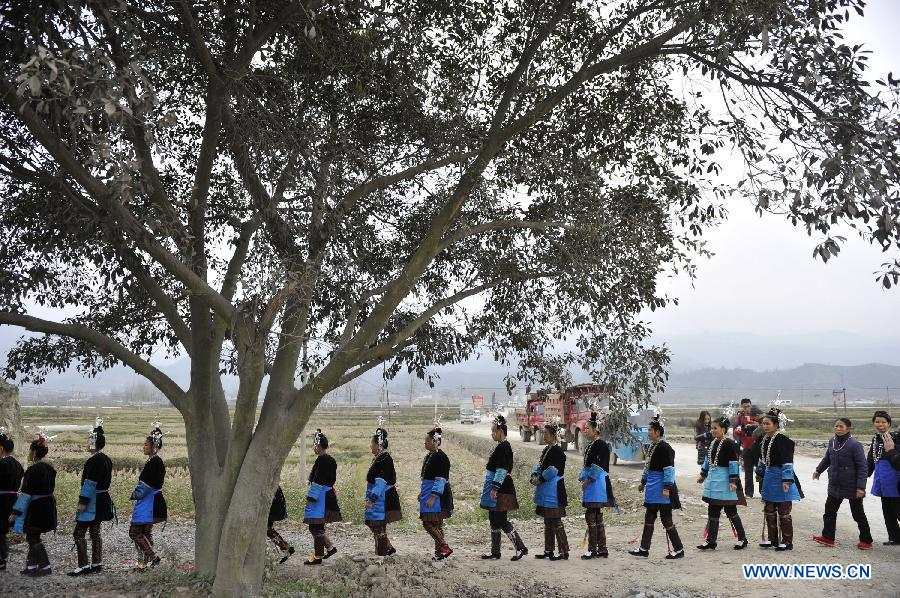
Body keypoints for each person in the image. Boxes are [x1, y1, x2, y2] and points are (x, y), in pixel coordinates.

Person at [811, 418, 872, 550]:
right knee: (829, 512)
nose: (838, 428)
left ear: (848, 428)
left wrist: (861, 487)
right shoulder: (832, 441)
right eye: (836, 426)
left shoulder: (855, 444)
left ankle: (866, 540)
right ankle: (828, 537)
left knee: (858, 514)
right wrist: (818, 470)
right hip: (835, 484)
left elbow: (863, 467)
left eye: (841, 426)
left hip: (852, 486)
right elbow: (827, 458)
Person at [629, 420, 684, 559]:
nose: (648, 433)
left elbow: (669, 470)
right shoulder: (652, 447)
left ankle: (678, 549)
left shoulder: (665, 448)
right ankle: (644, 548)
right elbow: (648, 468)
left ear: (657, 432)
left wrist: (667, 488)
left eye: (650, 430)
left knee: (667, 521)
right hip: (652, 490)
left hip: (662, 490)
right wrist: (643, 482)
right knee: (649, 519)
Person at [68, 418, 116, 576]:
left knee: (79, 533)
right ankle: (97, 562)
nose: (87, 443)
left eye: (89, 440)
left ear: (94, 442)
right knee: (95, 532)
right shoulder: (107, 459)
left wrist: (83, 502)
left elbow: (89, 483)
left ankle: (83, 565)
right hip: (103, 499)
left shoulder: (93, 460)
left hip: (92, 501)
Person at [752, 409, 803, 551]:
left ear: (776, 425)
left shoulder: (782, 440)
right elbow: (762, 460)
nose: (765, 426)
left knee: (784, 510)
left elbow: (787, 461)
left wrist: (786, 480)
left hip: (782, 477)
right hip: (769, 477)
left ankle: (787, 541)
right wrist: (760, 472)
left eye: (768, 424)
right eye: (763, 424)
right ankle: (772, 539)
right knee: (769, 509)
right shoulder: (764, 439)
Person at [479, 414, 527, 561]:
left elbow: (501, 470)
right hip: (497, 489)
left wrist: (494, 488)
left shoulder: (504, 447)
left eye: (494, 430)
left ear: (500, 431)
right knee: (493, 519)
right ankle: (495, 552)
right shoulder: (500, 446)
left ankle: (520, 547)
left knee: (501, 519)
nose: (492, 433)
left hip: (502, 490)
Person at [696, 416, 748, 550]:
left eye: (715, 428)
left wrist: (733, 481)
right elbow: (708, 461)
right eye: (712, 428)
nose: (712, 430)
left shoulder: (730, 444)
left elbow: (733, 463)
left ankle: (742, 539)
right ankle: (711, 541)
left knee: (731, 511)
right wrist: (703, 474)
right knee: (712, 511)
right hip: (713, 483)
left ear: (723, 429)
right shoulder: (713, 443)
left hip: (725, 482)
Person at [9, 433, 57, 576]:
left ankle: (45, 565)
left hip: (36, 508)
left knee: (32, 536)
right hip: (48, 504)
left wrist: (15, 512)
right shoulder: (50, 469)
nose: (29, 453)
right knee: (33, 535)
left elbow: (25, 493)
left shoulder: (32, 470)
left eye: (30, 450)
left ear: (34, 452)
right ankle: (31, 566)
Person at [129, 422, 167, 570]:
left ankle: (153, 557)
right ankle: (144, 564)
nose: (143, 446)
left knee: (134, 532)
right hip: (151, 500)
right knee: (145, 532)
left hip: (149, 502)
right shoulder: (154, 461)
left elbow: (146, 485)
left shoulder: (155, 462)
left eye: (146, 444)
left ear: (154, 446)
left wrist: (135, 494)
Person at [303, 429, 342, 565]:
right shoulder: (331, 460)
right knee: (317, 527)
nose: (313, 447)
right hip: (327, 494)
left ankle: (318, 556)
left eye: (314, 445)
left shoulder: (322, 460)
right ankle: (330, 548)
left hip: (320, 497)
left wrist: (310, 498)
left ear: (318, 446)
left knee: (315, 527)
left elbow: (318, 481)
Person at [578, 412, 615, 559]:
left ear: (595, 430)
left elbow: (598, 467)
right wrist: (583, 476)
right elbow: (587, 465)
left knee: (591, 515)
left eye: (588, 428)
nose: (585, 430)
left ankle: (593, 549)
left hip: (597, 484)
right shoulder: (592, 445)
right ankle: (602, 549)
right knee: (597, 515)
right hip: (593, 483)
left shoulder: (601, 445)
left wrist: (588, 480)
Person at [532, 422, 569, 560]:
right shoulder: (547, 449)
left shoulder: (558, 451)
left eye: (546, 434)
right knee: (548, 521)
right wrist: (534, 475)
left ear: (554, 436)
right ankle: (548, 551)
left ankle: (563, 552)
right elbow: (540, 466)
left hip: (554, 490)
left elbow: (553, 471)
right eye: (543, 433)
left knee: (556, 521)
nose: (544, 436)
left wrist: (540, 478)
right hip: (546, 489)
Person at [364, 427, 402, 556]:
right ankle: (387, 548)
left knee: (377, 526)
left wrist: (371, 499)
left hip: (382, 499)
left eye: (372, 444)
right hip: (380, 497)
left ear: (378, 445)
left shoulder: (384, 458)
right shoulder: (381, 457)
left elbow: (381, 482)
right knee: (377, 526)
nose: (370, 446)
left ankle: (381, 555)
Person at [419, 426, 454, 560]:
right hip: (428, 492)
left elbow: (440, 479)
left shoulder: (441, 457)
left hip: (437, 495)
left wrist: (433, 496)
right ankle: (440, 554)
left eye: (427, 441)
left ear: (435, 441)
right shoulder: (431, 455)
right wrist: (422, 493)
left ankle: (444, 547)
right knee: (436, 524)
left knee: (428, 523)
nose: (425, 443)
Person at [866, 410, 900, 545]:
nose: (880, 425)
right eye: (877, 422)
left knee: (898, 510)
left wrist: (891, 450)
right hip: (882, 480)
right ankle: (895, 537)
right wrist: (862, 478)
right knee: (887, 511)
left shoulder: (896, 438)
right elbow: (870, 461)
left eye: (883, 422)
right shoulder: (875, 439)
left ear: (889, 424)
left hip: (895, 481)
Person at [0, 429, 24, 572]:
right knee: (3, 530)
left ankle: (2, 559)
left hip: (1, 500)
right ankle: (3, 558)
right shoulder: (18, 465)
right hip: (13, 499)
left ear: (1, 448)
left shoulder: (2, 464)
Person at [733, 398, 760, 497]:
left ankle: (763, 493)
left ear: (751, 406)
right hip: (746, 448)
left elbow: (764, 425)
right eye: (744, 406)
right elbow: (735, 431)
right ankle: (749, 494)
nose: (746, 408)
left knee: (761, 470)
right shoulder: (739, 417)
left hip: (758, 447)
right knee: (748, 472)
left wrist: (754, 425)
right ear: (741, 407)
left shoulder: (757, 415)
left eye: (748, 406)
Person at [267, 486, 294, 563]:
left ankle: (285, 548)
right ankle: (286, 548)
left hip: (274, 511)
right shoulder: (273, 484)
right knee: (268, 530)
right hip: (275, 510)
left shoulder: (270, 485)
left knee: (268, 530)